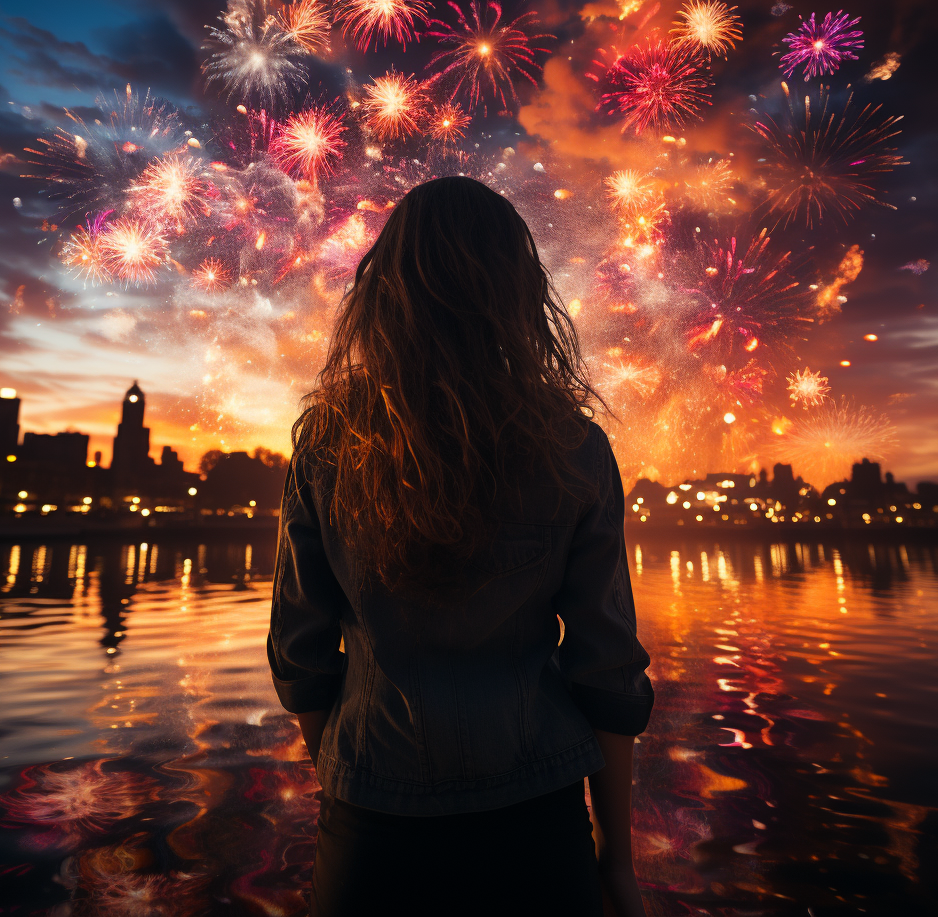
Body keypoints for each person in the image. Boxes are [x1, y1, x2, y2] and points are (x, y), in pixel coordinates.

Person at [268, 176, 653, 917]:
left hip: (370, 828)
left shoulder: (327, 441)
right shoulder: (573, 445)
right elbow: (608, 669)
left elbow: (299, 656)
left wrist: (361, 779)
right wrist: (618, 863)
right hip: (537, 822)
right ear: (518, 292)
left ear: (386, 289)